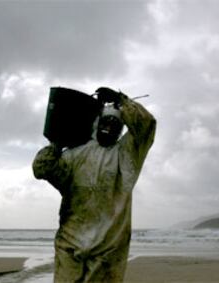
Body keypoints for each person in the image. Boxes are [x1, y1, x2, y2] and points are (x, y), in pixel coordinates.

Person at [32, 87, 156, 282]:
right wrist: (55, 143)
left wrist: (121, 100)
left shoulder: (127, 155)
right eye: (106, 120)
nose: (110, 125)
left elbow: (146, 124)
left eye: (116, 122)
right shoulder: (75, 155)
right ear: (97, 123)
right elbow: (42, 169)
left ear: (121, 128)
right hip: (70, 245)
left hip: (107, 251)